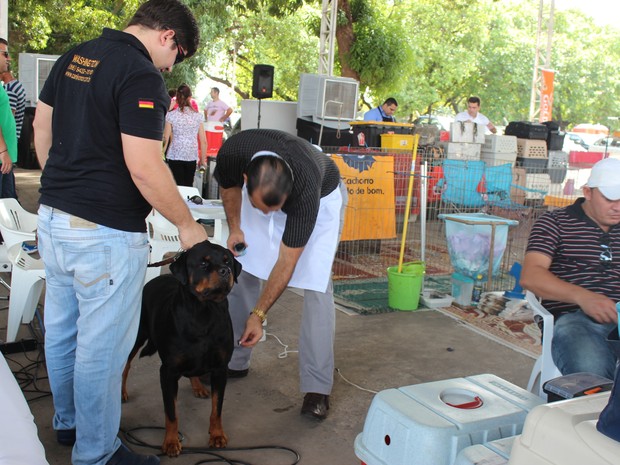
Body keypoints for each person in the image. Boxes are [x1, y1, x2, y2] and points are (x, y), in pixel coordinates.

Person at [32, 1, 207, 464]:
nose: (172, 67)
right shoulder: (142, 74)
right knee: (102, 351)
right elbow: (146, 168)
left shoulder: (76, 55)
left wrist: (65, 186)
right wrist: (188, 227)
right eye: (180, 55)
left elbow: (41, 125)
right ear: (168, 35)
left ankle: (68, 424)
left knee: (62, 331)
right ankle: (97, 453)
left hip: (52, 219)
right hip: (104, 235)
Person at [213, 129, 346, 420]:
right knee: (244, 267)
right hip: (265, 191)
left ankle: (317, 388)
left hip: (322, 198)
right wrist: (235, 227)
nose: (271, 215)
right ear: (247, 179)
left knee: (317, 286)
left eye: (277, 209)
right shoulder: (232, 154)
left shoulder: (305, 193)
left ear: (288, 194)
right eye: (265, 209)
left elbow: (287, 262)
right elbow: (228, 189)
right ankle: (235, 360)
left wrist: (259, 314)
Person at [521, 157, 620, 380]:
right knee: (592, 371)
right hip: (575, 320)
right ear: (588, 192)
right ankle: (596, 410)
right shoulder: (555, 222)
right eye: (610, 199)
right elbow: (531, 275)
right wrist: (583, 297)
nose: (618, 207)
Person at [163, 84, 207, 186]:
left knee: (176, 187)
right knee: (188, 186)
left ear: (177, 98)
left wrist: (161, 155)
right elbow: (203, 141)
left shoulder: (171, 116)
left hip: (174, 154)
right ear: (190, 97)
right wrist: (203, 160)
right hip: (191, 155)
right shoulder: (198, 116)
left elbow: (165, 138)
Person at [1, 66, 26, 200]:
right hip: (8, 145)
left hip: (6, 145)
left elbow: (8, 115)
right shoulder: (17, 86)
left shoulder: (10, 89)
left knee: (6, 196)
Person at [0, 39, 17, 199]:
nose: (8, 58)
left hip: (4, 158)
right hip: (2, 157)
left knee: (8, 204)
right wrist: (3, 150)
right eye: (4, 53)